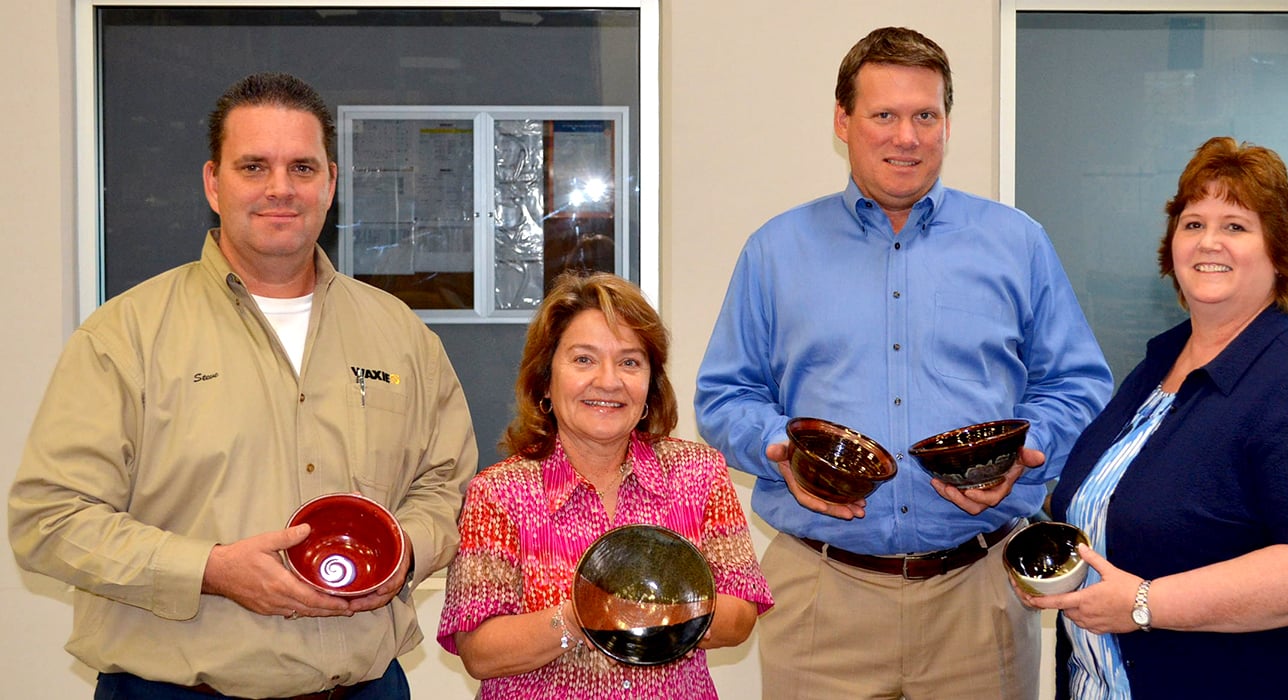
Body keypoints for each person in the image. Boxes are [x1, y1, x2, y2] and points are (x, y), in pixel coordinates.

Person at [8, 72, 478, 699]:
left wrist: (404, 555)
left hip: (365, 688)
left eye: (302, 168)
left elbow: (448, 486)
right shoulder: (125, 336)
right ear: (213, 182)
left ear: (331, 183)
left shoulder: (400, 336)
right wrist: (209, 570)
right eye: (253, 166)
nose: (280, 189)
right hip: (171, 691)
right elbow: (50, 518)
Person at [694, 26, 1113, 699]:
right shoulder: (776, 251)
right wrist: (783, 450)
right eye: (884, 115)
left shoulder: (1016, 244)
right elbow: (725, 396)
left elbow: (1080, 386)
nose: (907, 137)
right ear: (843, 120)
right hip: (821, 595)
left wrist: (1026, 451)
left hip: (977, 594)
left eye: (926, 115)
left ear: (947, 121)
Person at [1023, 136, 1288, 699]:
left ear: (1278, 251)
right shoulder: (1160, 368)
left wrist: (1145, 604)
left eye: (1236, 226)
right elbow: (1127, 502)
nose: (1208, 242)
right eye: (1193, 224)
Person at [438, 271, 772, 699]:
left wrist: (660, 610)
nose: (609, 381)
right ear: (545, 379)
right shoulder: (499, 492)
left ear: (651, 384)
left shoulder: (698, 473)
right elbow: (479, 652)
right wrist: (579, 618)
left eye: (630, 362)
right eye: (583, 359)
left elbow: (741, 615)